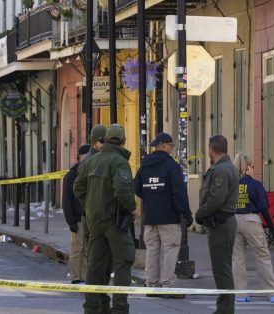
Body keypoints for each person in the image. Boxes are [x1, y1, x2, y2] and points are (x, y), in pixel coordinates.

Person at [73, 123, 137, 314]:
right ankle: (119, 307)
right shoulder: (119, 162)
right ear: (123, 142)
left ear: (106, 140)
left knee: (96, 266)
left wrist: (90, 206)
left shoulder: (92, 161)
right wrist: (132, 208)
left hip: (95, 222)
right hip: (114, 221)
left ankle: (93, 306)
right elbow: (122, 189)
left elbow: (78, 188)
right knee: (123, 263)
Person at [133, 131, 191, 294]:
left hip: (150, 217)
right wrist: (186, 214)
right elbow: (179, 193)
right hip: (169, 217)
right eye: (170, 146)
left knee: (152, 250)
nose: (171, 149)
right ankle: (167, 285)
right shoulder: (171, 166)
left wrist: (150, 196)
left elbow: (136, 187)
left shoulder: (145, 165)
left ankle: (151, 283)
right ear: (165, 146)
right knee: (170, 250)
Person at [232, 152, 274, 303]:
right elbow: (264, 209)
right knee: (262, 256)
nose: (254, 169)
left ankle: (241, 294)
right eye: (253, 166)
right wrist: (271, 228)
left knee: (237, 258)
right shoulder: (255, 185)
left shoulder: (231, 184)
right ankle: (272, 292)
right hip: (251, 220)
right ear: (248, 167)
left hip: (233, 220)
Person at [194, 134, 238, 314]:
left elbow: (216, 198)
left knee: (222, 268)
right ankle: (224, 307)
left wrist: (200, 213)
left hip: (221, 223)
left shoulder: (221, 169)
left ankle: (225, 309)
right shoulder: (226, 167)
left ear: (211, 149)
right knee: (222, 267)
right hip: (222, 222)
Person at [63, 143, 91, 284]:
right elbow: (67, 199)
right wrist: (71, 220)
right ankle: (75, 277)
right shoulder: (72, 175)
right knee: (77, 248)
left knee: (86, 249)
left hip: (88, 217)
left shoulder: (90, 172)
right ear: (80, 157)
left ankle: (84, 276)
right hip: (78, 217)